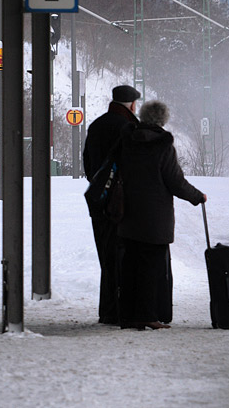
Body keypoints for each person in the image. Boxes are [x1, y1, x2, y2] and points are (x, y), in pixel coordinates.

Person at [117, 100, 206, 330]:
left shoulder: (128, 141)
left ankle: (127, 315)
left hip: (128, 213)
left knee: (130, 266)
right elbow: (175, 182)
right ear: (163, 120)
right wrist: (197, 196)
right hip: (154, 218)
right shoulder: (163, 146)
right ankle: (147, 314)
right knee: (151, 268)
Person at [82, 84, 141, 325]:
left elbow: (87, 161)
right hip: (122, 204)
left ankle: (107, 310)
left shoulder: (97, 125)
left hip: (99, 201)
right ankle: (121, 310)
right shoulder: (129, 127)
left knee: (106, 257)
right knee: (123, 257)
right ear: (132, 104)